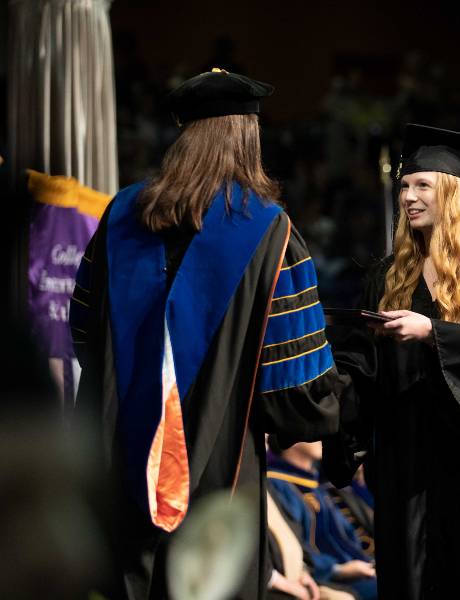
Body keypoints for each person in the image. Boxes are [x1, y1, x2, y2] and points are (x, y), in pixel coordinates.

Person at [70, 69, 343, 599]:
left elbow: (82, 328)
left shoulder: (121, 213)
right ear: (248, 138)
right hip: (218, 469)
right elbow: (294, 391)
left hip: (115, 453)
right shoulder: (269, 230)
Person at [323, 124, 460, 599]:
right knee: (414, 578)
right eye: (404, 186)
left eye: (422, 185)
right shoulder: (388, 275)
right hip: (407, 453)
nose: (408, 196)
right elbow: (363, 366)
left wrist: (434, 333)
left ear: (454, 194)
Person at [267, 441, 377, 600]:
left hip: (355, 569)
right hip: (322, 577)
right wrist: (338, 569)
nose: (321, 438)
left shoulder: (317, 487)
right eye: (312, 435)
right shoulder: (277, 484)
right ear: (292, 438)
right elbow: (294, 548)